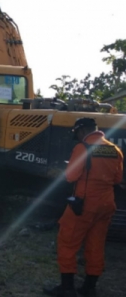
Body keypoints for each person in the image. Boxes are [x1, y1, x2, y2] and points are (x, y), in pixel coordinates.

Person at [44, 118, 123, 297]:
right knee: (96, 244)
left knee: (67, 242)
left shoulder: (82, 148)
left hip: (84, 204)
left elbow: (71, 176)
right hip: (106, 204)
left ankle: (67, 288)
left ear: (82, 131)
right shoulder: (114, 149)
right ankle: (89, 288)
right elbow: (118, 179)